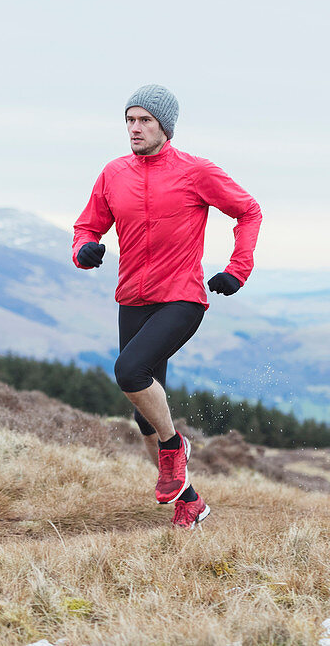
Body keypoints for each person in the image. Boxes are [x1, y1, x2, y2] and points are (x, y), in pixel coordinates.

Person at [72, 84, 262, 529]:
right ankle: (189, 502)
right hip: (132, 298)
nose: (134, 129)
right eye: (129, 120)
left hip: (181, 297)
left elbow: (249, 211)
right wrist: (85, 249)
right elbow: (88, 226)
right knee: (143, 415)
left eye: (144, 121)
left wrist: (237, 269)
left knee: (129, 372)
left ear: (164, 126)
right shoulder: (113, 173)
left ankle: (174, 447)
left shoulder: (196, 172)